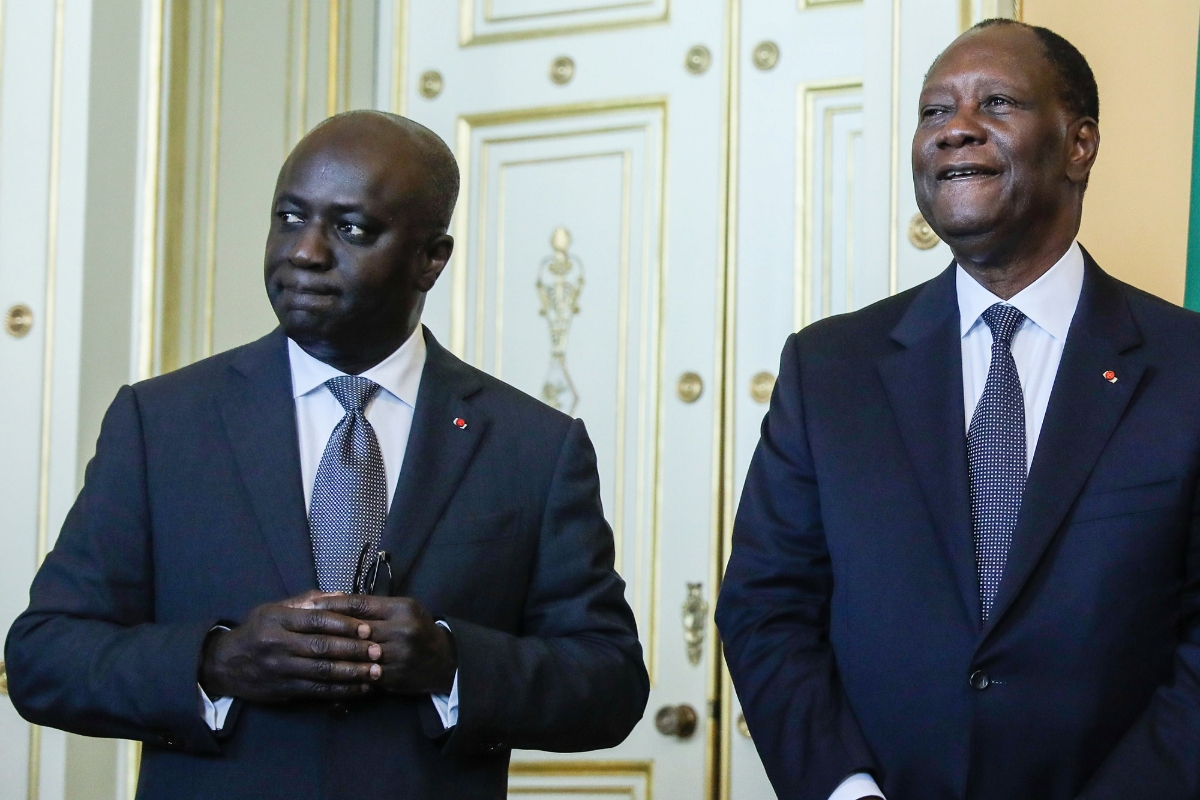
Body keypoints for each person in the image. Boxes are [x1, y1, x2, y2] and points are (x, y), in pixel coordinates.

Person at [5, 110, 649, 799]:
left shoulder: (534, 446)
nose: (304, 252)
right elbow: (45, 657)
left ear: (432, 257)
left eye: (349, 229)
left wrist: (450, 661)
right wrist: (218, 662)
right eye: (288, 217)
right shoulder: (161, 422)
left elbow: (609, 684)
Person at [717, 19, 1200, 800]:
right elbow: (766, 607)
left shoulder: (1187, 367)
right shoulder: (830, 368)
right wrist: (844, 789)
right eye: (934, 111)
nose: (955, 131)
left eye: (996, 102)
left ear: (1079, 145)